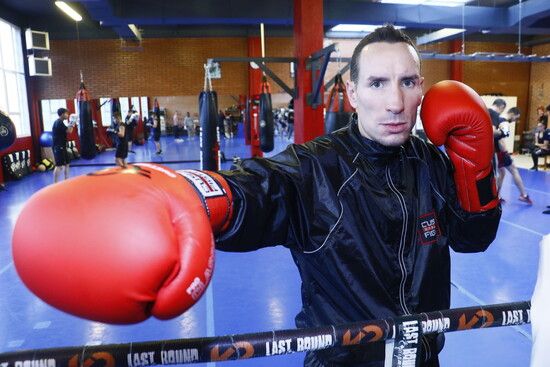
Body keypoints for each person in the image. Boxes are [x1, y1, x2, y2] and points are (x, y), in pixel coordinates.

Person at [13, 26, 502, 367]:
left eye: (407, 82)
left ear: (422, 88)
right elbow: (259, 188)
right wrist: (189, 199)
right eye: (377, 83)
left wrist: (479, 172)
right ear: (351, 93)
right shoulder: (316, 169)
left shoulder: (435, 161)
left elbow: (472, 239)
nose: (395, 102)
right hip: (343, 362)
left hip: (426, 358)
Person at [489, 101, 532, 204]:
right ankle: (523, 195)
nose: (515, 120)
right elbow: (500, 139)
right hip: (499, 152)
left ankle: (496, 196)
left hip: (495, 151)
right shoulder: (503, 121)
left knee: (502, 173)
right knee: (513, 170)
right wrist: (505, 152)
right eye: (516, 118)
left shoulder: (498, 119)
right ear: (512, 114)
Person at [51, 107, 74, 183]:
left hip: (62, 146)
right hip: (58, 146)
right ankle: (55, 184)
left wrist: (72, 123)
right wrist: (72, 122)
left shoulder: (60, 122)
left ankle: (67, 181)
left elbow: (68, 130)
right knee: (59, 166)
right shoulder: (58, 122)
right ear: (62, 114)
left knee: (67, 164)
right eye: (66, 113)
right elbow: (69, 131)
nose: (68, 115)